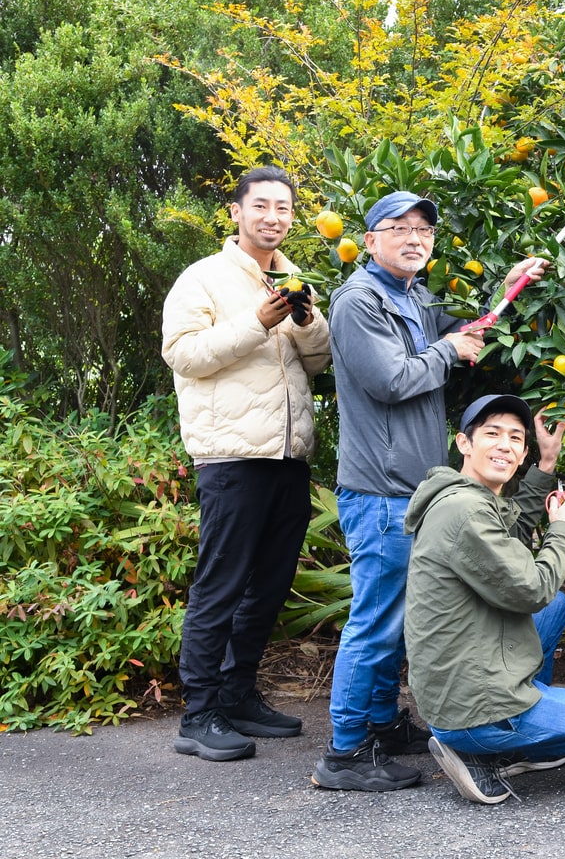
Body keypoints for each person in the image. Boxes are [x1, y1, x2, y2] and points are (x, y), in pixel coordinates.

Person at [311, 191, 549, 791]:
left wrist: (508, 288)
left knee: (400, 617)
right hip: (382, 488)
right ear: (370, 240)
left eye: (423, 230)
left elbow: (471, 331)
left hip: (414, 488)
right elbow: (392, 379)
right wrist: (448, 350)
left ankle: (384, 725)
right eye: (398, 228)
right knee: (377, 619)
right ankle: (344, 754)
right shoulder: (358, 301)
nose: (414, 238)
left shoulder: (413, 296)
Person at [162, 165, 331, 761]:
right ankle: (198, 714)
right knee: (222, 585)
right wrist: (256, 323)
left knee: (271, 584)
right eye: (260, 206)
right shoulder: (203, 279)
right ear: (235, 212)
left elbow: (317, 364)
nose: (273, 217)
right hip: (231, 455)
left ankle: (236, 696)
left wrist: (307, 321)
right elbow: (183, 355)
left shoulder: (293, 278)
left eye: (283, 208)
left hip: (287, 454)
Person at [403, 394, 565, 805]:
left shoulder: (465, 497)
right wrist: (563, 529)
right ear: (464, 443)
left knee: (557, 607)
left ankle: (517, 734)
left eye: (515, 438)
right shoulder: (467, 512)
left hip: (455, 686)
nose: (505, 445)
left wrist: (546, 464)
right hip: (474, 709)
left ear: (523, 452)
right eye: (492, 433)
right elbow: (532, 588)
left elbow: (513, 527)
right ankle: (492, 748)